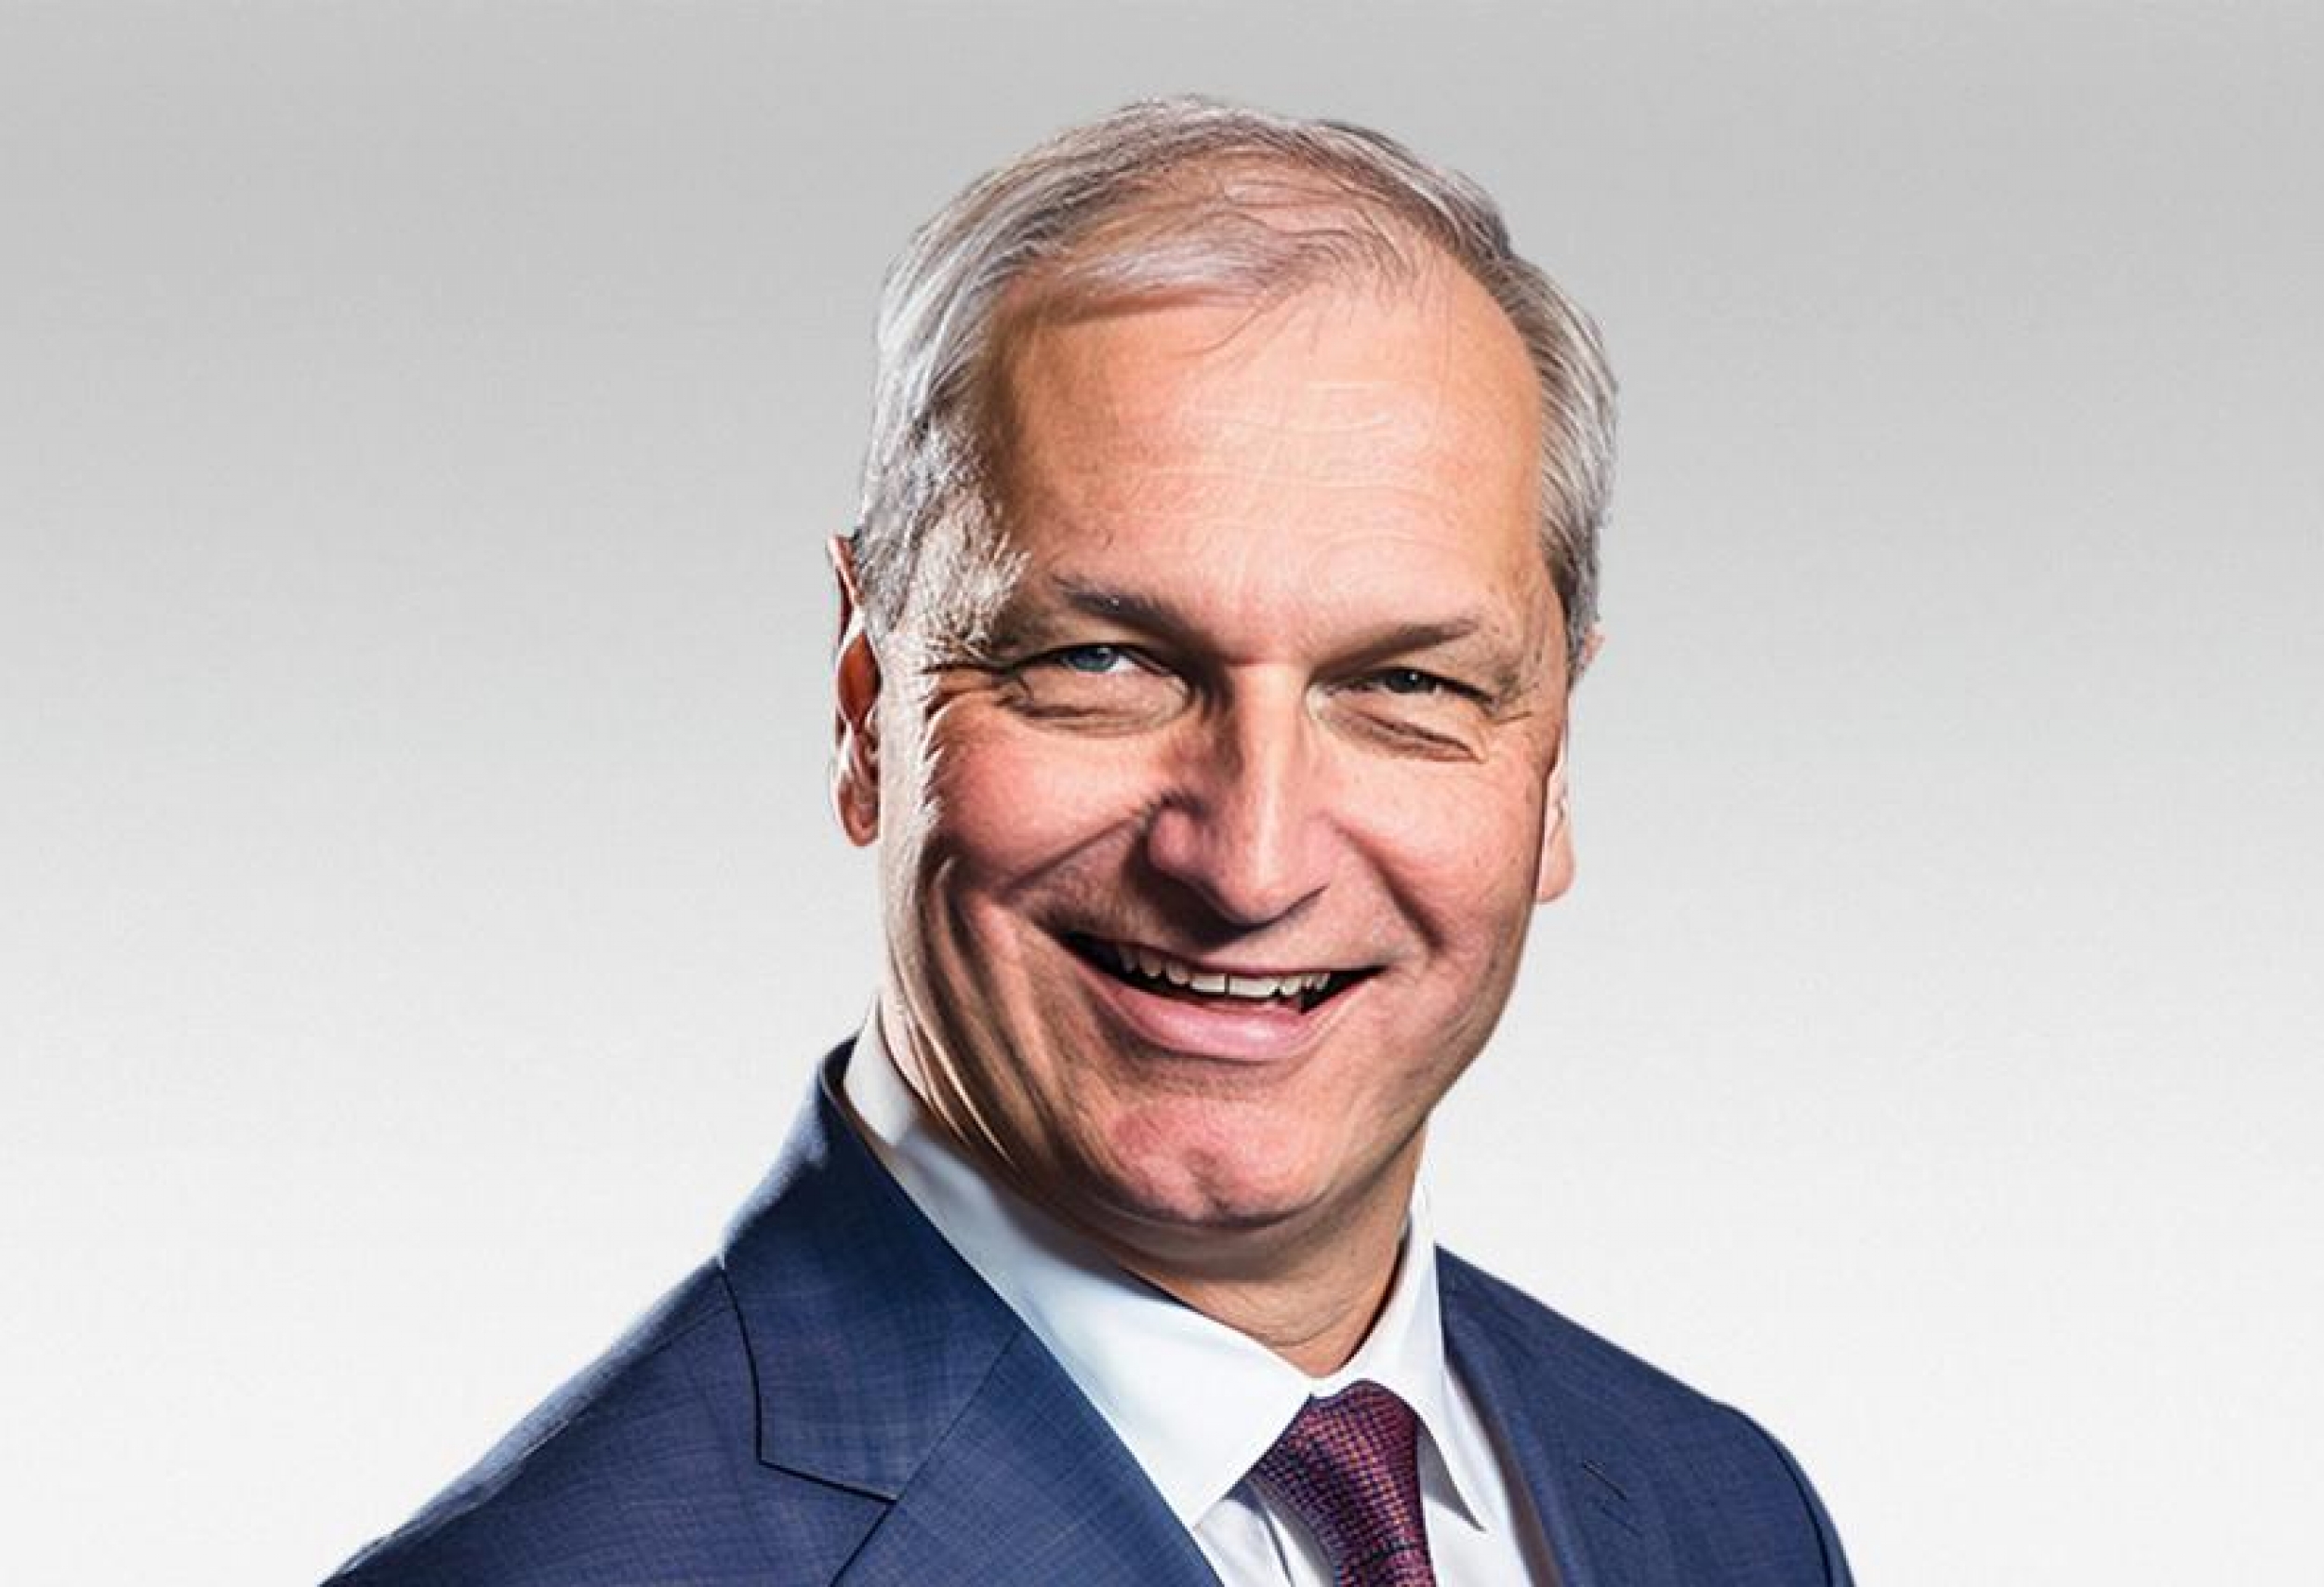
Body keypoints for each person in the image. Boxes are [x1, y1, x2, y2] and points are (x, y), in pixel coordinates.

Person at [327, 97, 1853, 1586]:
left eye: (1405, 685)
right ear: (868, 709)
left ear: (1554, 761)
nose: (1249, 866)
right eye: (1100, 664)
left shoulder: (1721, 1512)